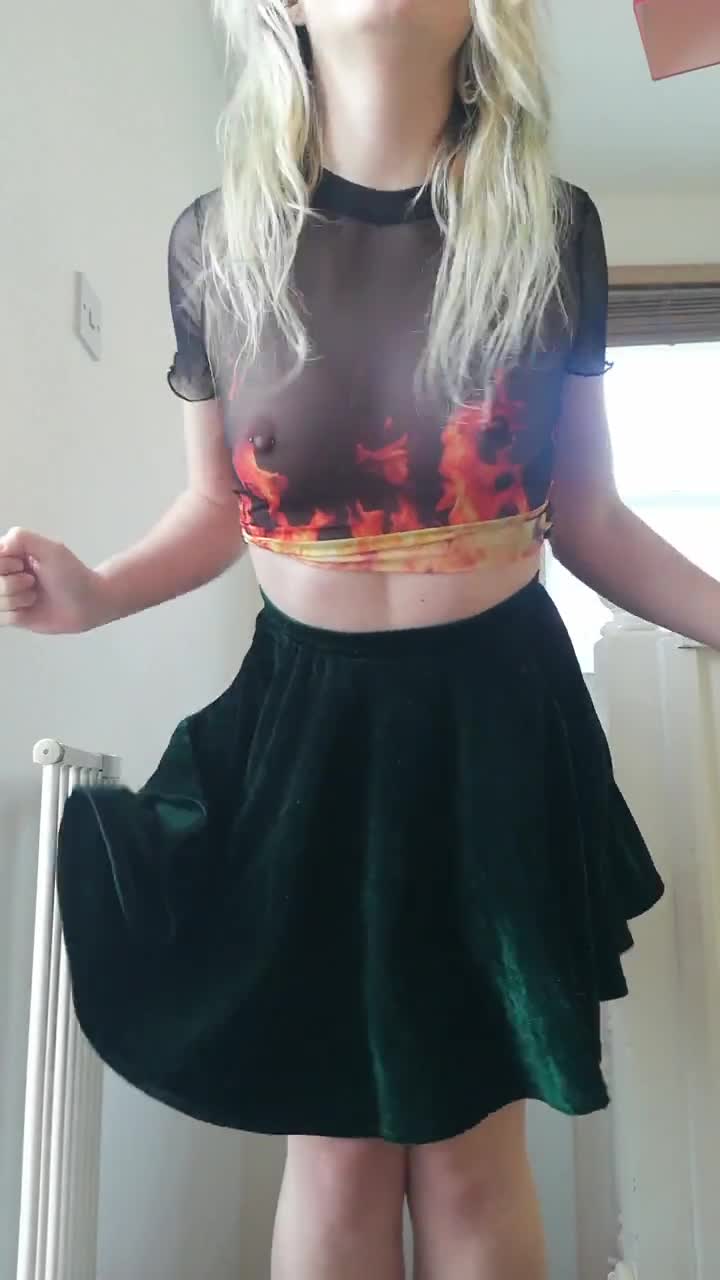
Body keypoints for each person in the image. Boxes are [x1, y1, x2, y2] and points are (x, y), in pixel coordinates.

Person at [2, 3, 718, 1277]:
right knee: (332, 1146)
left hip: (495, 724)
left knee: (470, 1145)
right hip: (307, 734)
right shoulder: (218, 240)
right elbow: (217, 508)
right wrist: (97, 591)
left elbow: (593, 515)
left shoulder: (552, 229)